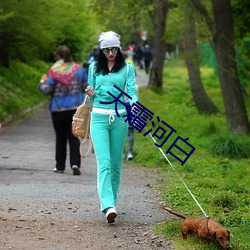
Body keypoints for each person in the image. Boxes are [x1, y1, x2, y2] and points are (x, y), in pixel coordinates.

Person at [85, 31, 138, 223]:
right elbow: (91, 97)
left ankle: (112, 201)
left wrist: (134, 106)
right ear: (101, 50)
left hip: (120, 118)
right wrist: (90, 92)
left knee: (116, 163)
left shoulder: (127, 68)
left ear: (119, 48)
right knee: (104, 162)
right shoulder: (93, 68)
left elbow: (131, 92)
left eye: (114, 49)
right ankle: (107, 205)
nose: (110, 53)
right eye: (106, 50)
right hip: (98, 117)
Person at [39, 45, 88, 175]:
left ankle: (60, 166)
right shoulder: (79, 70)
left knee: (60, 138)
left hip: (58, 109)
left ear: (58, 57)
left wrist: (42, 83)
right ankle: (75, 163)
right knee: (74, 137)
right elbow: (86, 87)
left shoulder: (54, 71)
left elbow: (47, 90)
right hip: (75, 109)